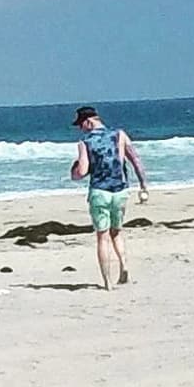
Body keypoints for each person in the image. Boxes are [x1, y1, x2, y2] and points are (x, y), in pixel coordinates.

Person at [71, 106, 148, 287]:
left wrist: (73, 172)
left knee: (102, 236)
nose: (80, 129)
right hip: (120, 191)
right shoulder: (119, 135)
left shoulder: (84, 143)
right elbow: (135, 160)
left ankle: (107, 282)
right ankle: (124, 267)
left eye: (81, 125)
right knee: (117, 232)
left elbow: (81, 171)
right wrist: (143, 184)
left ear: (89, 122)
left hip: (99, 192)